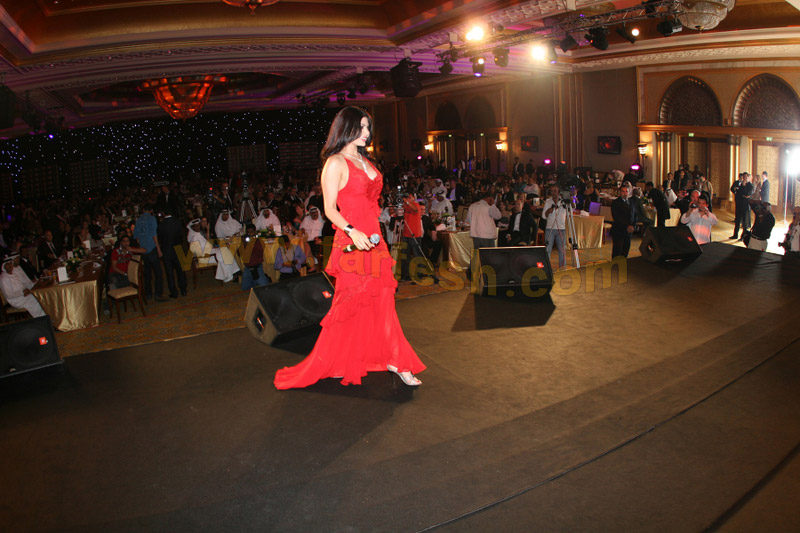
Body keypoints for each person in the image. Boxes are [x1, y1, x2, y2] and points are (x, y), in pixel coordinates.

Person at [274, 106, 425, 389]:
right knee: (350, 304)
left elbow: (370, 201)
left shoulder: (366, 160)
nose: (367, 133)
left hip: (374, 241)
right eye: (362, 127)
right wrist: (352, 231)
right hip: (352, 242)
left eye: (368, 127)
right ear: (346, 127)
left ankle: (394, 360)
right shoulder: (335, 163)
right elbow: (329, 209)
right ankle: (338, 360)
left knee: (383, 301)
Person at [186, 218, 240, 283]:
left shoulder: (195, 235)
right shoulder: (195, 236)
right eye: (196, 226)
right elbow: (200, 252)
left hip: (208, 253)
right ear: (192, 228)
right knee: (224, 254)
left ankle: (232, 272)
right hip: (205, 258)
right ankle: (229, 275)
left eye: (198, 225)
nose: (198, 227)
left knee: (225, 250)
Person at [133, 204, 165, 302]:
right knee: (158, 272)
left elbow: (136, 237)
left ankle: (148, 293)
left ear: (143, 210)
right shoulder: (152, 219)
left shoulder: (138, 220)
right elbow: (154, 235)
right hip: (152, 248)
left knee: (147, 273)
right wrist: (158, 248)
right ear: (151, 210)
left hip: (143, 249)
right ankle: (158, 294)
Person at [0, 254, 46, 318]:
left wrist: (27, 290)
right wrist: (22, 292)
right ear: (4, 267)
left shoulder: (13, 274)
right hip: (16, 300)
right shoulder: (3, 278)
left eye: (10, 264)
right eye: (7, 265)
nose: (10, 266)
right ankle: (41, 319)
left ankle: (45, 316)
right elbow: (9, 294)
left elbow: (22, 285)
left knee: (39, 296)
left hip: (23, 295)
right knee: (35, 300)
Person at [157, 207, 188, 298]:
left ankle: (174, 292)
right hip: (178, 248)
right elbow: (182, 236)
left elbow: (160, 239)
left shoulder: (161, 225)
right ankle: (183, 289)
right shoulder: (177, 222)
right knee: (181, 271)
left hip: (167, 250)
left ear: (163, 213)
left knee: (169, 272)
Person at [542, 185, 567, 268]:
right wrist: (548, 211)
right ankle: (547, 268)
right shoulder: (548, 201)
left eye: (555, 191)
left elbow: (572, 208)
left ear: (558, 191)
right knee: (547, 250)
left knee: (562, 250)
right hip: (550, 228)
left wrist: (572, 197)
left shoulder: (563, 201)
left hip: (561, 228)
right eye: (552, 191)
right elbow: (543, 216)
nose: (553, 193)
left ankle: (562, 268)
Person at [610, 183, 636, 258]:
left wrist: (633, 226)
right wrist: (626, 226)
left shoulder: (632, 202)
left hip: (629, 231)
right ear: (620, 192)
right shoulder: (616, 203)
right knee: (618, 250)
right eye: (623, 191)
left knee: (626, 249)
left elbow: (635, 214)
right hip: (619, 230)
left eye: (626, 191)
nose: (625, 193)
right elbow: (617, 217)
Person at [241, 223, 270, 290]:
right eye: (248, 233)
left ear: (254, 232)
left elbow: (259, 251)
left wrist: (252, 242)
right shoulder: (245, 241)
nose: (250, 234)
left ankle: (265, 278)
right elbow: (240, 253)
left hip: (257, 268)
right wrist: (244, 243)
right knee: (245, 288)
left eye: (251, 232)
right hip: (248, 268)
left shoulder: (259, 241)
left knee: (265, 287)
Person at [731, 172, 753, 239]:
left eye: (746, 177)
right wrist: (740, 192)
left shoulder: (750, 186)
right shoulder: (740, 184)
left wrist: (743, 187)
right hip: (739, 205)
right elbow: (738, 193)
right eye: (743, 177)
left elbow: (747, 194)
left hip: (745, 206)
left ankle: (743, 236)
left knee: (744, 222)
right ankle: (735, 235)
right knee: (737, 220)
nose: (744, 178)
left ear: (748, 177)